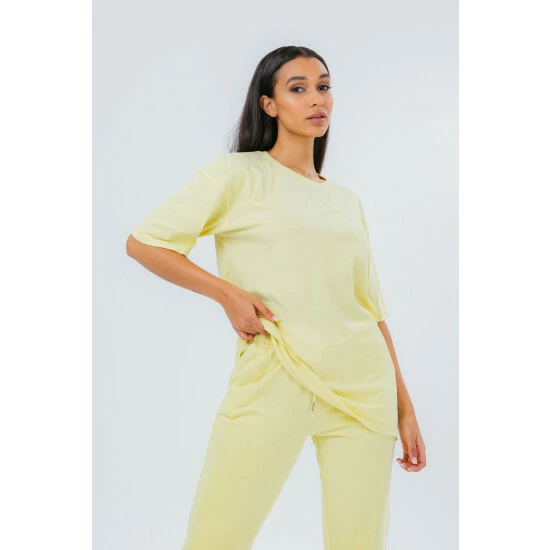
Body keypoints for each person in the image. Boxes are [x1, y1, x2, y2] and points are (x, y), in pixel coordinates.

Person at [126, 45, 426, 550]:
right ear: (269, 104)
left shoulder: (345, 202)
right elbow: (145, 243)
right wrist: (226, 294)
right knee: (214, 540)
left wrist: (405, 408)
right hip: (273, 377)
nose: (316, 99)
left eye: (323, 87)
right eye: (298, 88)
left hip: (362, 386)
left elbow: (370, 310)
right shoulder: (236, 176)